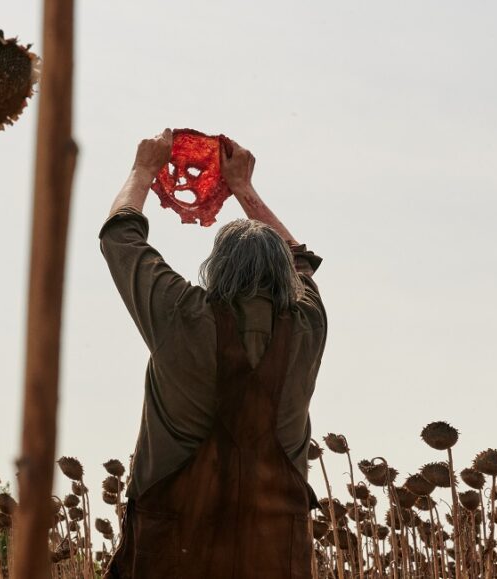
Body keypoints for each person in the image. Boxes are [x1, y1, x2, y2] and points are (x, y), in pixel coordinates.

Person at [100, 129, 327, 578]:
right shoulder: (308, 325)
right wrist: (243, 188)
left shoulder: (181, 314)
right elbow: (300, 258)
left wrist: (143, 170)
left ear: (215, 271)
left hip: (173, 555)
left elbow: (121, 239)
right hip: (274, 559)